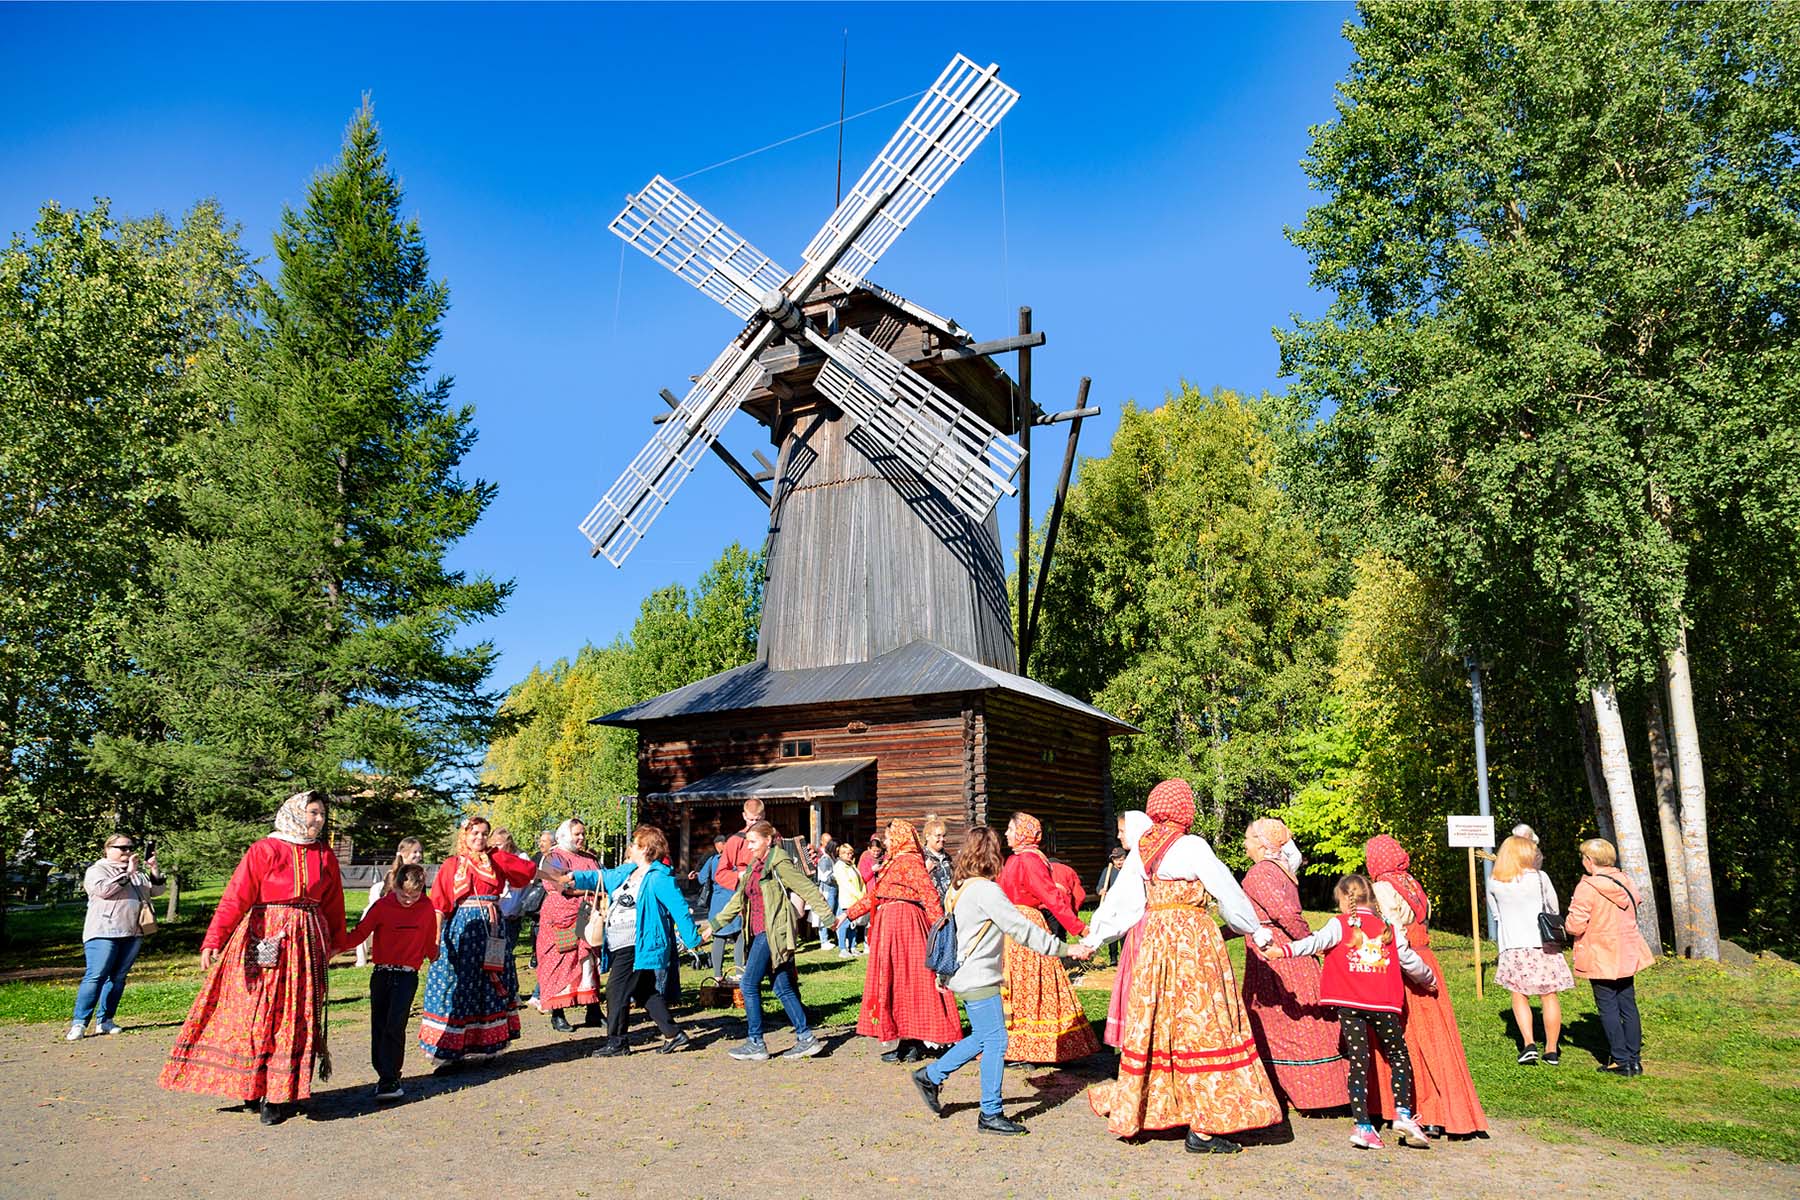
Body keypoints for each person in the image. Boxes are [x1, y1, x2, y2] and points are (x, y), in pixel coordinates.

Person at [1081, 779, 1282, 1155]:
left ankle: (1161, 1106)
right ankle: (1204, 1126)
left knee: (1163, 1023)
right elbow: (1227, 891)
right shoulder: (1191, 846)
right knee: (1203, 1023)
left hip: (1156, 944)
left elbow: (1124, 902)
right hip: (1192, 944)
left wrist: (1095, 938)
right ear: (1185, 808)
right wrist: (1255, 930)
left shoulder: (1145, 846)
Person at [159, 790, 346, 1125]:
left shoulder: (323, 854)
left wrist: (336, 941)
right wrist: (214, 938)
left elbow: (334, 901)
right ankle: (251, 1085)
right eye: (313, 812)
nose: (319, 819)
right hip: (265, 935)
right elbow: (237, 895)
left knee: (295, 1014)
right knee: (258, 1012)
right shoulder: (265, 849)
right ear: (295, 813)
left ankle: (278, 1093)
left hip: (306, 941)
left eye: (322, 813)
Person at [910, 826, 1091, 1135]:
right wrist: (1065, 949)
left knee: (983, 1037)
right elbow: (1022, 929)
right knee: (996, 1041)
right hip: (978, 975)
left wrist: (943, 974)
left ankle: (931, 1075)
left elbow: (955, 934)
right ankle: (990, 1112)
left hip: (963, 974)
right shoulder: (987, 891)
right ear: (992, 854)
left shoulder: (958, 887)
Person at [1260, 874, 1434, 1150]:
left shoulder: (1339, 924)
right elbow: (1409, 960)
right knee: (1398, 1055)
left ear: (1342, 899)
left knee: (1358, 1060)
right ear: (1371, 898)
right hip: (1383, 1003)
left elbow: (1314, 943)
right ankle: (1403, 1114)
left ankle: (1363, 1126)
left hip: (1349, 1004)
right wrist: (1428, 979)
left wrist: (1282, 951)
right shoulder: (1387, 927)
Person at [1364, 834, 1488, 1138]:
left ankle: (1416, 1107)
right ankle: (1439, 1112)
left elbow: (1395, 934)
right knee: (1435, 1037)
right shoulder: (1411, 882)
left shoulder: (1382, 887)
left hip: (1405, 966)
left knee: (1407, 1038)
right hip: (1426, 957)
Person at [549, 825, 707, 1057]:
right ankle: (674, 1034)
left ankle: (617, 1042)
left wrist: (693, 939)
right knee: (644, 991)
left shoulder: (659, 878)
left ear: (645, 849)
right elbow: (601, 876)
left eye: (634, 844)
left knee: (616, 990)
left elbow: (680, 908)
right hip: (619, 942)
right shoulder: (627, 871)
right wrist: (575, 877)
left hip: (638, 943)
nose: (630, 847)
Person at [1237, 817, 1349, 1112]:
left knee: (1284, 1020)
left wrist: (1308, 942)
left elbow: (1286, 914)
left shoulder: (1261, 873)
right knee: (1291, 1020)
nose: (1245, 844)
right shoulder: (1281, 868)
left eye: (1248, 839)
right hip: (1283, 950)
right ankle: (1311, 1091)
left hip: (1277, 955)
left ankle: (1308, 1094)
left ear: (1262, 843)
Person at [841, 819, 963, 1063]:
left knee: (911, 981)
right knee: (898, 983)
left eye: (888, 837)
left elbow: (929, 895)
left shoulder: (909, 861)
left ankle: (914, 1041)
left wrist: (941, 931)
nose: (886, 842)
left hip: (905, 926)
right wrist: (849, 913)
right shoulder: (896, 861)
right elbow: (877, 894)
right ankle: (906, 1041)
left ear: (899, 837)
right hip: (892, 927)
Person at [714, 820, 837, 1061]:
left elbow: (806, 888)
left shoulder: (779, 862)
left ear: (768, 840)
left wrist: (828, 917)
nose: (748, 846)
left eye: (753, 842)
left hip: (771, 932)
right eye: (748, 842)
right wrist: (714, 926)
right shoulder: (754, 866)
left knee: (748, 984)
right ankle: (806, 1038)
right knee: (782, 987)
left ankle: (756, 1042)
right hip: (758, 931)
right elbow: (738, 899)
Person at [419, 815, 537, 1065]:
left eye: (484, 833)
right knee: (457, 984)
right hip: (463, 930)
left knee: (490, 983)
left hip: (492, 929)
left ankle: (488, 1045)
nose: (480, 838)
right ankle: (449, 1051)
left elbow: (526, 871)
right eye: (475, 833)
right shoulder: (452, 865)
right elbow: (439, 904)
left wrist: (555, 875)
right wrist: (436, 938)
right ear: (465, 835)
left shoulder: (495, 860)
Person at [997, 812, 1098, 1063]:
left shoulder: (1029, 860)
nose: (1006, 833)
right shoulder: (1016, 859)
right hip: (1012, 927)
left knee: (1030, 983)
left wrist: (1080, 928)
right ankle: (1020, 1044)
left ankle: (1034, 1044)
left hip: (1025, 926)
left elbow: (1052, 897)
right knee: (1020, 983)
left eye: (1011, 829)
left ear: (1023, 832)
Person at [338, 862, 438, 1101]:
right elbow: (361, 932)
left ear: (422, 889)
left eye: (414, 896)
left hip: (407, 976)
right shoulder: (382, 906)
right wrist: (337, 946)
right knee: (380, 1025)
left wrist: (435, 955)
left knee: (396, 1025)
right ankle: (383, 1073)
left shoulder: (426, 908)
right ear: (395, 887)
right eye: (404, 895)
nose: (408, 900)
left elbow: (429, 938)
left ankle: (391, 1077)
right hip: (382, 973)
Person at [1565, 837, 1655, 1077]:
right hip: (1626, 950)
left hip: (1600, 953)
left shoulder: (1587, 887)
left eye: (1583, 857)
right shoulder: (1625, 880)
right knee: (1628, 1005)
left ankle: (1620, 1060)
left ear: (1589, 860)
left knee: (1608, 1007)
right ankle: (1634, 1059)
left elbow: (1575, 925)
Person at [1487, 833, 1575, 1065]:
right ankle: (1551, 1049)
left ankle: (1528, 1043)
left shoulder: (1495, 881)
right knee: (1549, 995)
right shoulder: (1540, 878)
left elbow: (1496, 915)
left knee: (1519, 994)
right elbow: (1553, 908)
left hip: (1513, 945)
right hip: (1543, 944)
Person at [69, 834, 166, 1040]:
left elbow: (157, 891)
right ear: (107, 849)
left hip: (133, 931)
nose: (128, 851)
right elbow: (104, 891)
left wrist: (153, 868)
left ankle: (105, 1020)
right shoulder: (97, 870)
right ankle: (79, 1023)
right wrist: (127, 873)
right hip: (103, 931)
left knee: (118, 977)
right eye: (122, 848)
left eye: (130, 847)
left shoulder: (138, 873)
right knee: (96, 976)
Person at [536, 818, 602, 1033]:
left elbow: (601, 878)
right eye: (577, 834)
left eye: (583, 833)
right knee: (560, 961)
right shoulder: (553, 857)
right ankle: (558, 1013)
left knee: (588, 959)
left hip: (587, 914)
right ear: (565, 835)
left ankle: (593, 1009)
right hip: (560, 917)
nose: (581, 837)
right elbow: (564, 885)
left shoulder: (589, 858)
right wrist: (591, 889)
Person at [1102, 813, 1151, 1042]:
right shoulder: (1141, 856)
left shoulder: (1137, 859)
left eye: (1122, 830)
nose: (1118, 835)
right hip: (1144, 927)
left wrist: (1093, 939)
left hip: (1144, 927)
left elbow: (1120, 903)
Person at [712, 800, 766, 980]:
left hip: (770, 897)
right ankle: (745, 976)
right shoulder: (735, 841)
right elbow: (720, 874)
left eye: (758, 819)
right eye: (751, 820)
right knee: (746, 938)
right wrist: (740, 875)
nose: (754, 823)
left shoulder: (774, 837)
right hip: (748, 898)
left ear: (764, 816)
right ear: (744, 816)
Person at [356, 837, 424, 968]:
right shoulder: (393, 874)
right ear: (403, 853)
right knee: (366, 918)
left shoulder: (419, 875)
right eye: (415, 852)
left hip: (410, 916)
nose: (419, 855)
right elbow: (384, 896)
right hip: (390, 914)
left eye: (420, 852)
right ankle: (361, 959)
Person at [833, 841, 867, 956]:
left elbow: (859, 880)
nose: (850, 855)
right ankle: (842, 948)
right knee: (844, 924)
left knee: (853, 925)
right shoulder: (839, 866)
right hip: (847, 899)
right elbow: (846, 884)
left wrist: (863, 893)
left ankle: (853, 947)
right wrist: (860, 896)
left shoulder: (851, 865)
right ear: (841, 854)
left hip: (856, 899)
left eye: (851, 853)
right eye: (847, 853)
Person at [813, 832, 839, 949]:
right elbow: (823, 877)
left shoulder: (832, 858)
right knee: (826, 913)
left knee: (834, 913)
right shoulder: (824, 859)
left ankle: (834, 937)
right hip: (827, 890)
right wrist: (836, 876)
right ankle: (824, 940)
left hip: (834, 889)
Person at [920, 815, 952, 901]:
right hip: (929, 905)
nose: (942, 839)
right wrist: (926, 871)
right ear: (927, 836)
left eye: (944, 836)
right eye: (938, 836)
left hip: (948, 905)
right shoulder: (921, 857)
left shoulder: (947, 858)